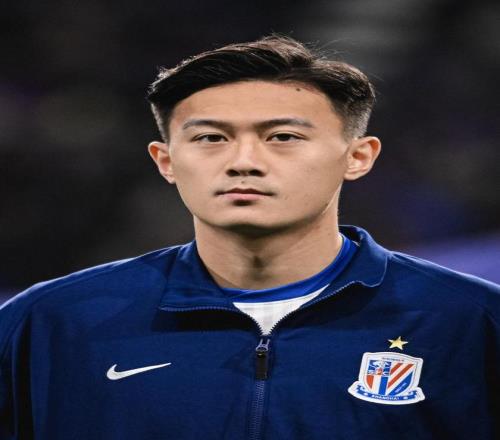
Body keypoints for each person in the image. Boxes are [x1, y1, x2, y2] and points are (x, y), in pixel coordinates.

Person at [0, 35, 498, 440]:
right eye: (210, 138)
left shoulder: (473, 322)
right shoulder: (48, 324)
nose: (243, 161)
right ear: (166, 161)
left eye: (283, 137)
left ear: (358, 156)